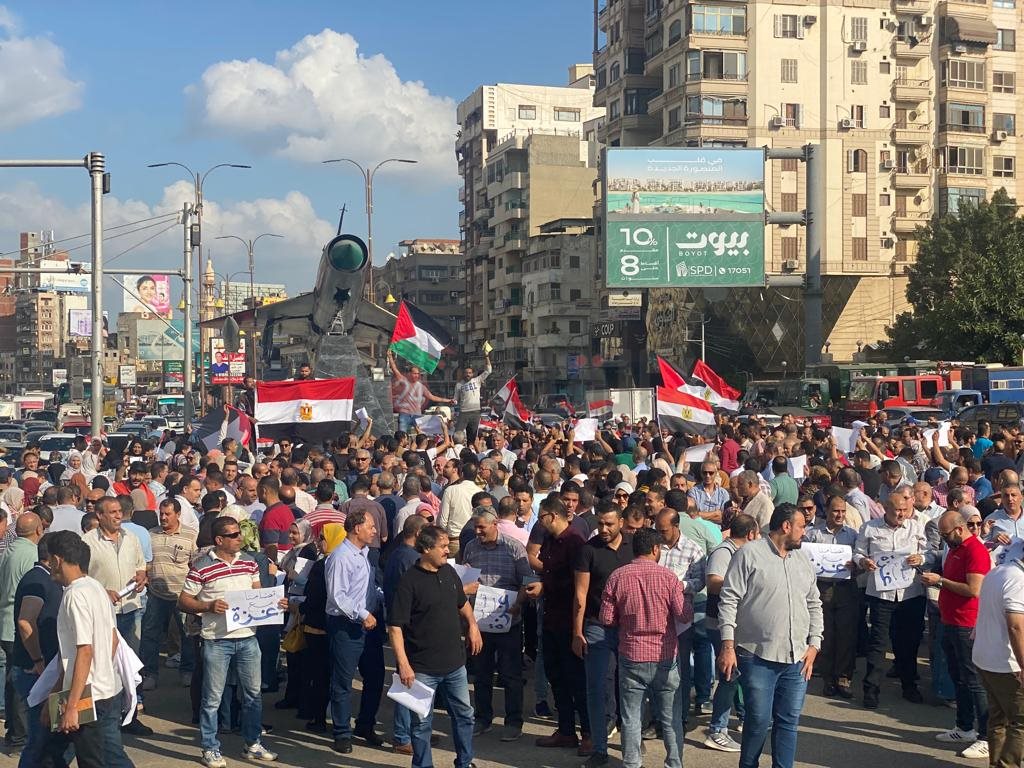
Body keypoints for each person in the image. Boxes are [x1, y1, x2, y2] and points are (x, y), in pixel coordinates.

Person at [718, 503, 823, 768]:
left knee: (788, 723)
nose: (804, 532)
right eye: (801, 526)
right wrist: (728, 646)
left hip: (797, 659)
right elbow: (728, 600)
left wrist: (814, 644)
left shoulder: (803, 560)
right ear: (786, 526)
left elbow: (814, 603)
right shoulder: (748, 554)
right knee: (758, 721)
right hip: (756, 657)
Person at [178, 516, 283, 767]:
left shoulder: (249, 562)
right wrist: (208, 606)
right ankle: (210, 748)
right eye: (233, 535)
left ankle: (252, 743)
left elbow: (257, 593)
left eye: (239, 533)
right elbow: (183, 600)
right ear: (219, 539)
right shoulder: (202, 566)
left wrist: (273, 602)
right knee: (212, 698)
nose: (239, 538)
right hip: (216, 640)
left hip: (247, 638)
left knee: (253, 695)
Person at [388, 525, 482, 768]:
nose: (447, 550)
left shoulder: (448, 571)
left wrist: (473, 625)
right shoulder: (409, 582)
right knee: (421, 724)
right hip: (422, 668)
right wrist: (403, 664)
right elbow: (395, 627)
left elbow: (462, 603)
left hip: (455, 665)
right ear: (426, 549)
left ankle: (465, 762)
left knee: (465, 715)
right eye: (442, 546)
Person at [599, 527, 688, 768]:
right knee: (671, 718)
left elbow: (606, 618)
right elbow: (684, 614)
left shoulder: (617, 577)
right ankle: (674, 763)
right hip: (665, 655)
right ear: (656, 549)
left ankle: (632, 763)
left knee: (631, 717)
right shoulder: (669, 578)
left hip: (631, 654)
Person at [40, 530, 129, 768]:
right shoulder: (96, 588)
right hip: (99, 690)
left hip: (85, 697)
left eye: (50, 560)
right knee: (55, 756)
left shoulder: (75, 596)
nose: (49, 566)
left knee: (90, 760)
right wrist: (54, 698)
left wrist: (72, 706)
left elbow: (84, 650)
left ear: (57, 560)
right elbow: (111, 640)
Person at [919, 509, 991, 759]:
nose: (944, 539)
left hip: (967, 624)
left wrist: (940, 581)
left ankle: (986, 736)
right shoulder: (955, 549)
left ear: (959, 529)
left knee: (974, 680)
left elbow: (973, 589)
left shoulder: (975, 551)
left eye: (946, 534)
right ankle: (964, 727)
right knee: (958, 677)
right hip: (950, 620)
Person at [80, 497, 151, 735]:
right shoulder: (87, 541)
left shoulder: (131, 538)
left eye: (120, 511)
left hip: (130, 609)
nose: (118, 515)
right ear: (99, 516)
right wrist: (102, 591)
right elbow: (79, 576)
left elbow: (141, 565)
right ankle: (101, 718)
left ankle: (130, 716)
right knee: (102, 664)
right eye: (112, 512)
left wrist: (141, 577)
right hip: (102, 614)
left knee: (131, 665)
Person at [526, 495, 591, 753]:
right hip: (550, 618)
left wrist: (546, 586)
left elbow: (578, 585)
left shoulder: (575, 542)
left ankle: (588, 733)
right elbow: (547, 569)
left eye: (541, 517)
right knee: (556, 676)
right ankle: (566, 731)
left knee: (576, 679)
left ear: (553, 516)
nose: (539, 522)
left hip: (569, 620)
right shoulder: (551, 540)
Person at [462, 507, 531, 742]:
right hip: (480, 623)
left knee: (510, 674)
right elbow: (465, 577)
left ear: (495, 525)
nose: (477, 531)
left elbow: (528, 579)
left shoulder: (513, 547)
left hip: (509, 620)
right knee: (481, 674)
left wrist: (519, 602)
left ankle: (513, 722)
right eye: (475, 527)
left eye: (482, 527)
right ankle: (483, 718)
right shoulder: (471, 548)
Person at [572, 503, 633, 768]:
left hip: (629, 628)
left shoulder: (633, 547)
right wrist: (577, 631)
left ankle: (631, 744)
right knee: (596, 688)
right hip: (597, 626)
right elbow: (580, 594)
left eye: (609, 524)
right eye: (600, 524)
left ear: (621, 522)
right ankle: (599, 748)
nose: (604, 529)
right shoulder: (589, 550)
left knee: (630, 688)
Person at [854, 495, 929, 708]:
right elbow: (858, 553)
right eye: (897, 510)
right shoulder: (869, 528)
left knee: (908, 642)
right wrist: (863, 561)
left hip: (910, 594)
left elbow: (929, 553)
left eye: (905, 510)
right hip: (881, 594)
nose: (901, 514)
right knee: (878, 642)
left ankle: (909, 685)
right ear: (886, 509)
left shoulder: (915, 527)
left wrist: (921, 558)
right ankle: (871, 689)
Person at [324, 509, 385, 754]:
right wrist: (362, 614)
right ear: (357, 528)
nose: (375, 531)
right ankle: (341, 732)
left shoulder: (365, 554)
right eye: (371, 527)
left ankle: (365, 724)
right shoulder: (340, 557)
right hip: (347, 626)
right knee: (343, 681)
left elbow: (367, 587)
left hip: (369, 625)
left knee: (375, 676)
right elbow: (337, 596)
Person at [701, 513, 758, 753]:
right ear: (751, 534)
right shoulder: (724, 552)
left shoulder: (741, 552)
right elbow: (713, 582)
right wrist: (740, 584)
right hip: (720, 624)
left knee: (738, 674)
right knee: (729, 675)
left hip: (736, 624)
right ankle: (717, 730)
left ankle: (744, 716)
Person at [11, 532, 61, 768]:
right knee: (40, 740)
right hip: (36, 672)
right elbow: (25, 621)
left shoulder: (46, 578)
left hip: (45, 670)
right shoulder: (38, 580)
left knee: (54, 740)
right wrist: (39, 661)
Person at [804, 494, 860, 700]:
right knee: (825, 633)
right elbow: (802, 560)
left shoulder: (853, 535)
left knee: (846, 634)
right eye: (836, 511)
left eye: (843, 511)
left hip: (846, 588)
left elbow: (861, 560)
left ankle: (844, 677)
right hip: (822, 588)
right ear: (826, 511)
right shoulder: (813, 534)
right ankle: (828, 678)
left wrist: (857, 566)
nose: (840, 515)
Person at [382, 515, 430, 754]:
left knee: (412, 679)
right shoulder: (410, 559)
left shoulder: (397, 554)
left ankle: (413, 732)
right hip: (409, 626)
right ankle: (403, 736)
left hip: (401, 622)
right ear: (419, 534)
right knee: (409, 680)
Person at [972, 545, 1024, 767]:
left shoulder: (998, 571)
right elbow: (1016, 626)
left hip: (985, 657)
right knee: (1020, 722)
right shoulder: (1018, 580)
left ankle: (996, 763)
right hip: (1007, 663)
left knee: (998, 717)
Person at [140, 498, 198, 690]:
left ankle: (187, 671)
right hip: (156, 595)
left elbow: (195, 565)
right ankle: (150, 674)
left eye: (168, 514)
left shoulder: (191, 535)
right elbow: (146, 562)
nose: (163, 517)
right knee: (150, 634)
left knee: (187, 634)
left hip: (182, 594)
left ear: (178, 514)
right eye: (161, 514)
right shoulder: (151, 534)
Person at [0, 512, 43, 748]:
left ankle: (14, 729)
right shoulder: (31, 554)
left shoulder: (9, 550)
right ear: (38, 530)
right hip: (18, 624)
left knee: (12, 678)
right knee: (20, 679)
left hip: (6, 620)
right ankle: (19, 734)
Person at [388, 348, 455, 433]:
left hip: (416, 414)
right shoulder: (404, 381)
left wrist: (448, 400)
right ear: (409, 374)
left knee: (420, 435)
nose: (416, 375)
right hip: (405, 414)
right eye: (414, 373)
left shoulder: (421, 387)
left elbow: (432, 397)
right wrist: (390, 357)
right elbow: (395, 370)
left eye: (418, 374)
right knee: (402, 434)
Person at [454, 354, 491, 444]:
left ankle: (470, 448)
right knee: (457, 434)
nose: (468, 374)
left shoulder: (477, 380)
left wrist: (486, 356)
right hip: (464, 412)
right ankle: (457, 447)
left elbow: (488, 370)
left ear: (473, 374)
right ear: (463, 374)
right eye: (466, 373)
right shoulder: (459, 385)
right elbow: (455, 399)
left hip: (475, 412)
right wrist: (453, 401)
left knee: (472, 435)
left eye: (470, 373)